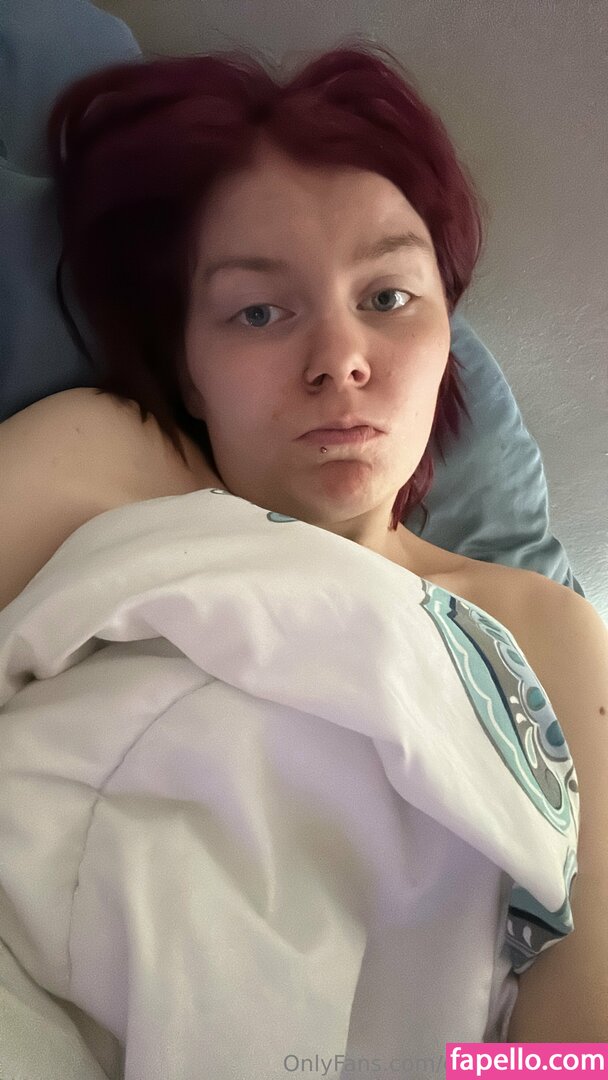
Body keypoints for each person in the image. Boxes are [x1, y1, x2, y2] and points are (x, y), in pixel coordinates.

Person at [2, 42, 607, 1041]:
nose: (338, 361)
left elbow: (576, 1047)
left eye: (387, 299)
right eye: (258, 312)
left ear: (446, 334)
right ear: (188, 370)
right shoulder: (110, 463)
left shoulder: (547, 628)